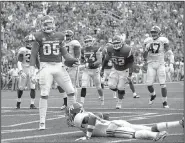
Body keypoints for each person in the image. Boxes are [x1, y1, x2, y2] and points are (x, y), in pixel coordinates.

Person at [29, 15, 79, 130]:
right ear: (42, 25)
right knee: (45, 93)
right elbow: (33, 55)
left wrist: (73, 60)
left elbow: (65, 54)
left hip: (58, 66)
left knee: (71, 91)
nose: (49, 26)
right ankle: (42, 122)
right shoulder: (38, 36)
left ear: (54, 24)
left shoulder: (60, 36)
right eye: (46, 24)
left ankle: (73, 117)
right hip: (45, 67)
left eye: (50, 23)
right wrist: (32, 72)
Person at [66, 102, 184, 141]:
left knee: (135, 134)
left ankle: (156, 136)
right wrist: (100, 117)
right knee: (148, 128)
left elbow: (92, 118)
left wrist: (88, 136)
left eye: (71, 113)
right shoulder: (84, 115)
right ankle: (179, 123)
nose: (69, 116)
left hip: (110, 129)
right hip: (115, 123)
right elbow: (103, 116)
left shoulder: (78, 118)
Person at [101, 34, 134, 109]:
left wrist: (130, 74)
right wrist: (102, 69)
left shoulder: (127, 50)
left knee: (120, 87)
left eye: (117, 43)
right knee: (111, 85)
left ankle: (119, 103)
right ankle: (120, 92)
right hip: (115, 69)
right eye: (114, 43)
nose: (115, 45)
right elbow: (106, 60)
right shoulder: (109, 49)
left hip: (124, 70)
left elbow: (131, 63)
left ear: (121, 42)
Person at [143, 26, 171, 108]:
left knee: (162, 84)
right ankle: (153, 94)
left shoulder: (163, 40)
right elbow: (144, 56)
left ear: (159, 33)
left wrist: (170, 60)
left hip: (160, 64)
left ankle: (164, 102)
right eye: (152, 32)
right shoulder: (147, 41)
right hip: (151, 64)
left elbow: (168, 50)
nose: (153, 34)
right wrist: (146, 50)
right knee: (149, 84)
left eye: (155, 32)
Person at [58, 30, 82, 110]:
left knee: (72, 85)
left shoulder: (74, 42)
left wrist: (75, 62)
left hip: (72, 66)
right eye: (66, 35)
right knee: (60, 85)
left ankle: (74, 104)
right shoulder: (61, 43)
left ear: (72, 36)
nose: (66, 37)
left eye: (68, 36)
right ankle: (65, 103)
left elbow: (77, 55)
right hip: (62, 65)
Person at [80, 35, 104, 105]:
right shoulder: (82, 49)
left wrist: (91, 64)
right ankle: (81, 102)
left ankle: (102, 97)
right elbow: (82, 59)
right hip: (86, 70)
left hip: (95, 70)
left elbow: (99, 61)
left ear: (92, 41)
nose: (88, 43)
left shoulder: (96, 49)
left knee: (98, 87)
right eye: (86, 41)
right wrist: (81, 63)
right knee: (83, 85)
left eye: (89, 41)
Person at [16, 34, 38, 109]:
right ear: (26, 42)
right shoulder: (22, 50)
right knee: (21, 87)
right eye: (29, 41)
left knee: (33, 87)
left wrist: (39, 71)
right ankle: (18, 101)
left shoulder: (35, 50)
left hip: (32, 69)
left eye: (31, 41)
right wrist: (21, 71)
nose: (30, 42)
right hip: (24, 68)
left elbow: (37, 62)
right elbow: (19, 61)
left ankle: (32, 104)